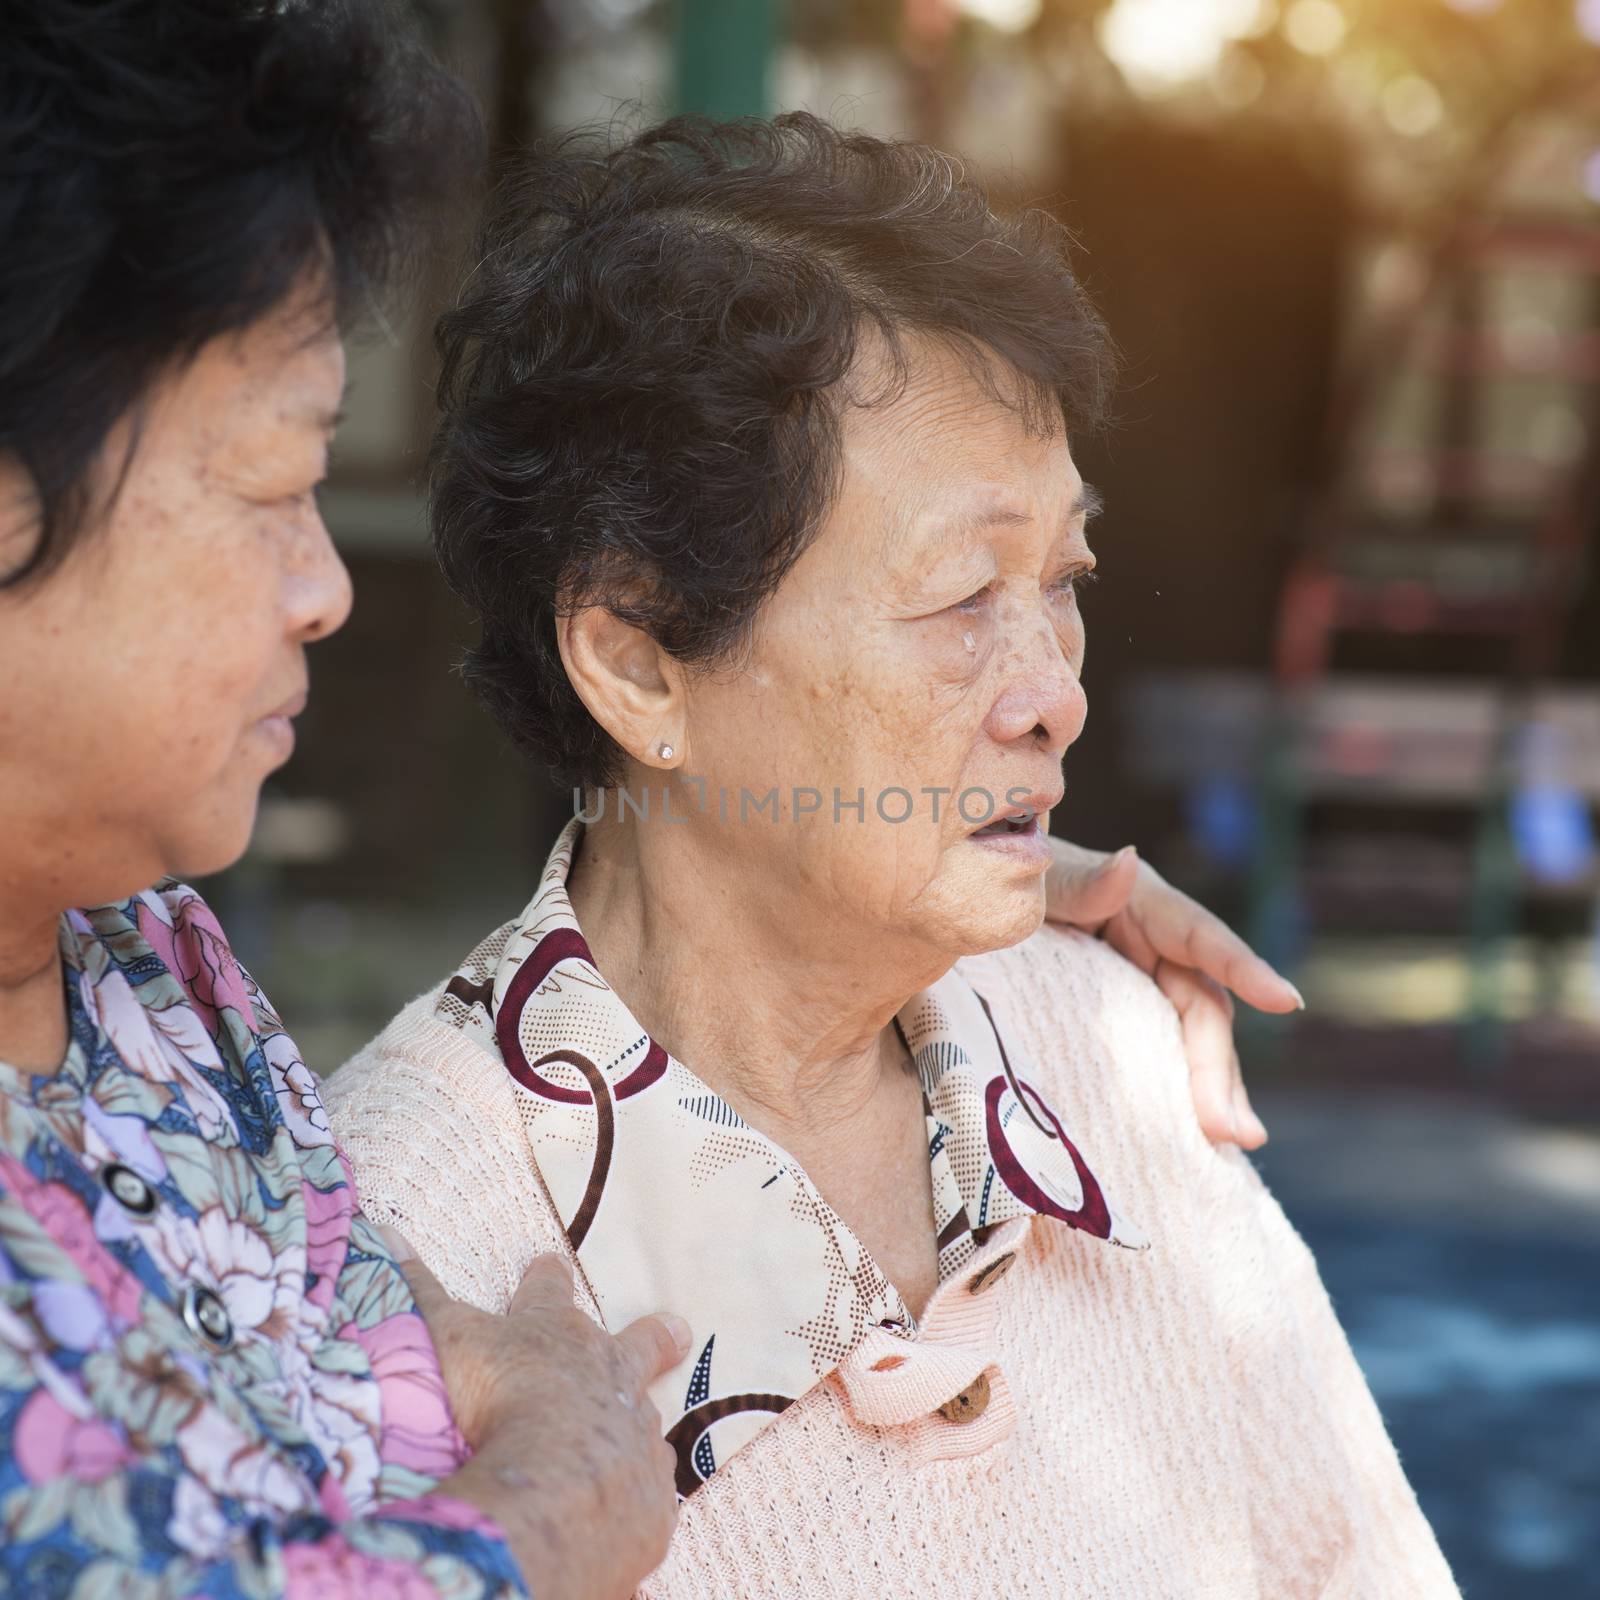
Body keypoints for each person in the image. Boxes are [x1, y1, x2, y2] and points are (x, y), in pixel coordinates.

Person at [0, 4, 1297, 1596]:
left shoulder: (154, 982)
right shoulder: (450, 1183)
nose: (328, 588)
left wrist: (962, 858)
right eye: (273, 487)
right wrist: (547, 1507)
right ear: (638, 669)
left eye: (1067, 577)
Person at [326, 114, 1462, 1597]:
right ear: (638, 668)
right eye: (958, 596)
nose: (1054, 685)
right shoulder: (402, 1241)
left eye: (1063, 579)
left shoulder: (1099, 1047)